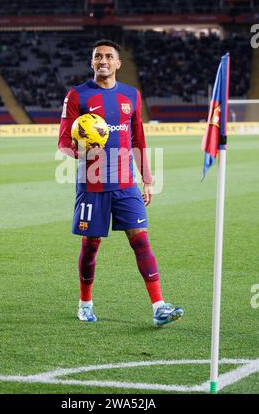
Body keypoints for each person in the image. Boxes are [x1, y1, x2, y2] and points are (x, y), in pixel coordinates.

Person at [58, 39, 183, 327]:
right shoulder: (77, 96)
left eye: (108, 56)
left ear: (118, 63)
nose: (103, 60)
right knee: (91, 246)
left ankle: (159, 306)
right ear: (92, 63)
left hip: (125, 183)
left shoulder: (131, 96)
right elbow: (64, 142)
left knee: (140, 240)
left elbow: (139, 139)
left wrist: (147, 180)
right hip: (92, 184)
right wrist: (82, 151)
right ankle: (85, 304)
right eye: (97, 56)